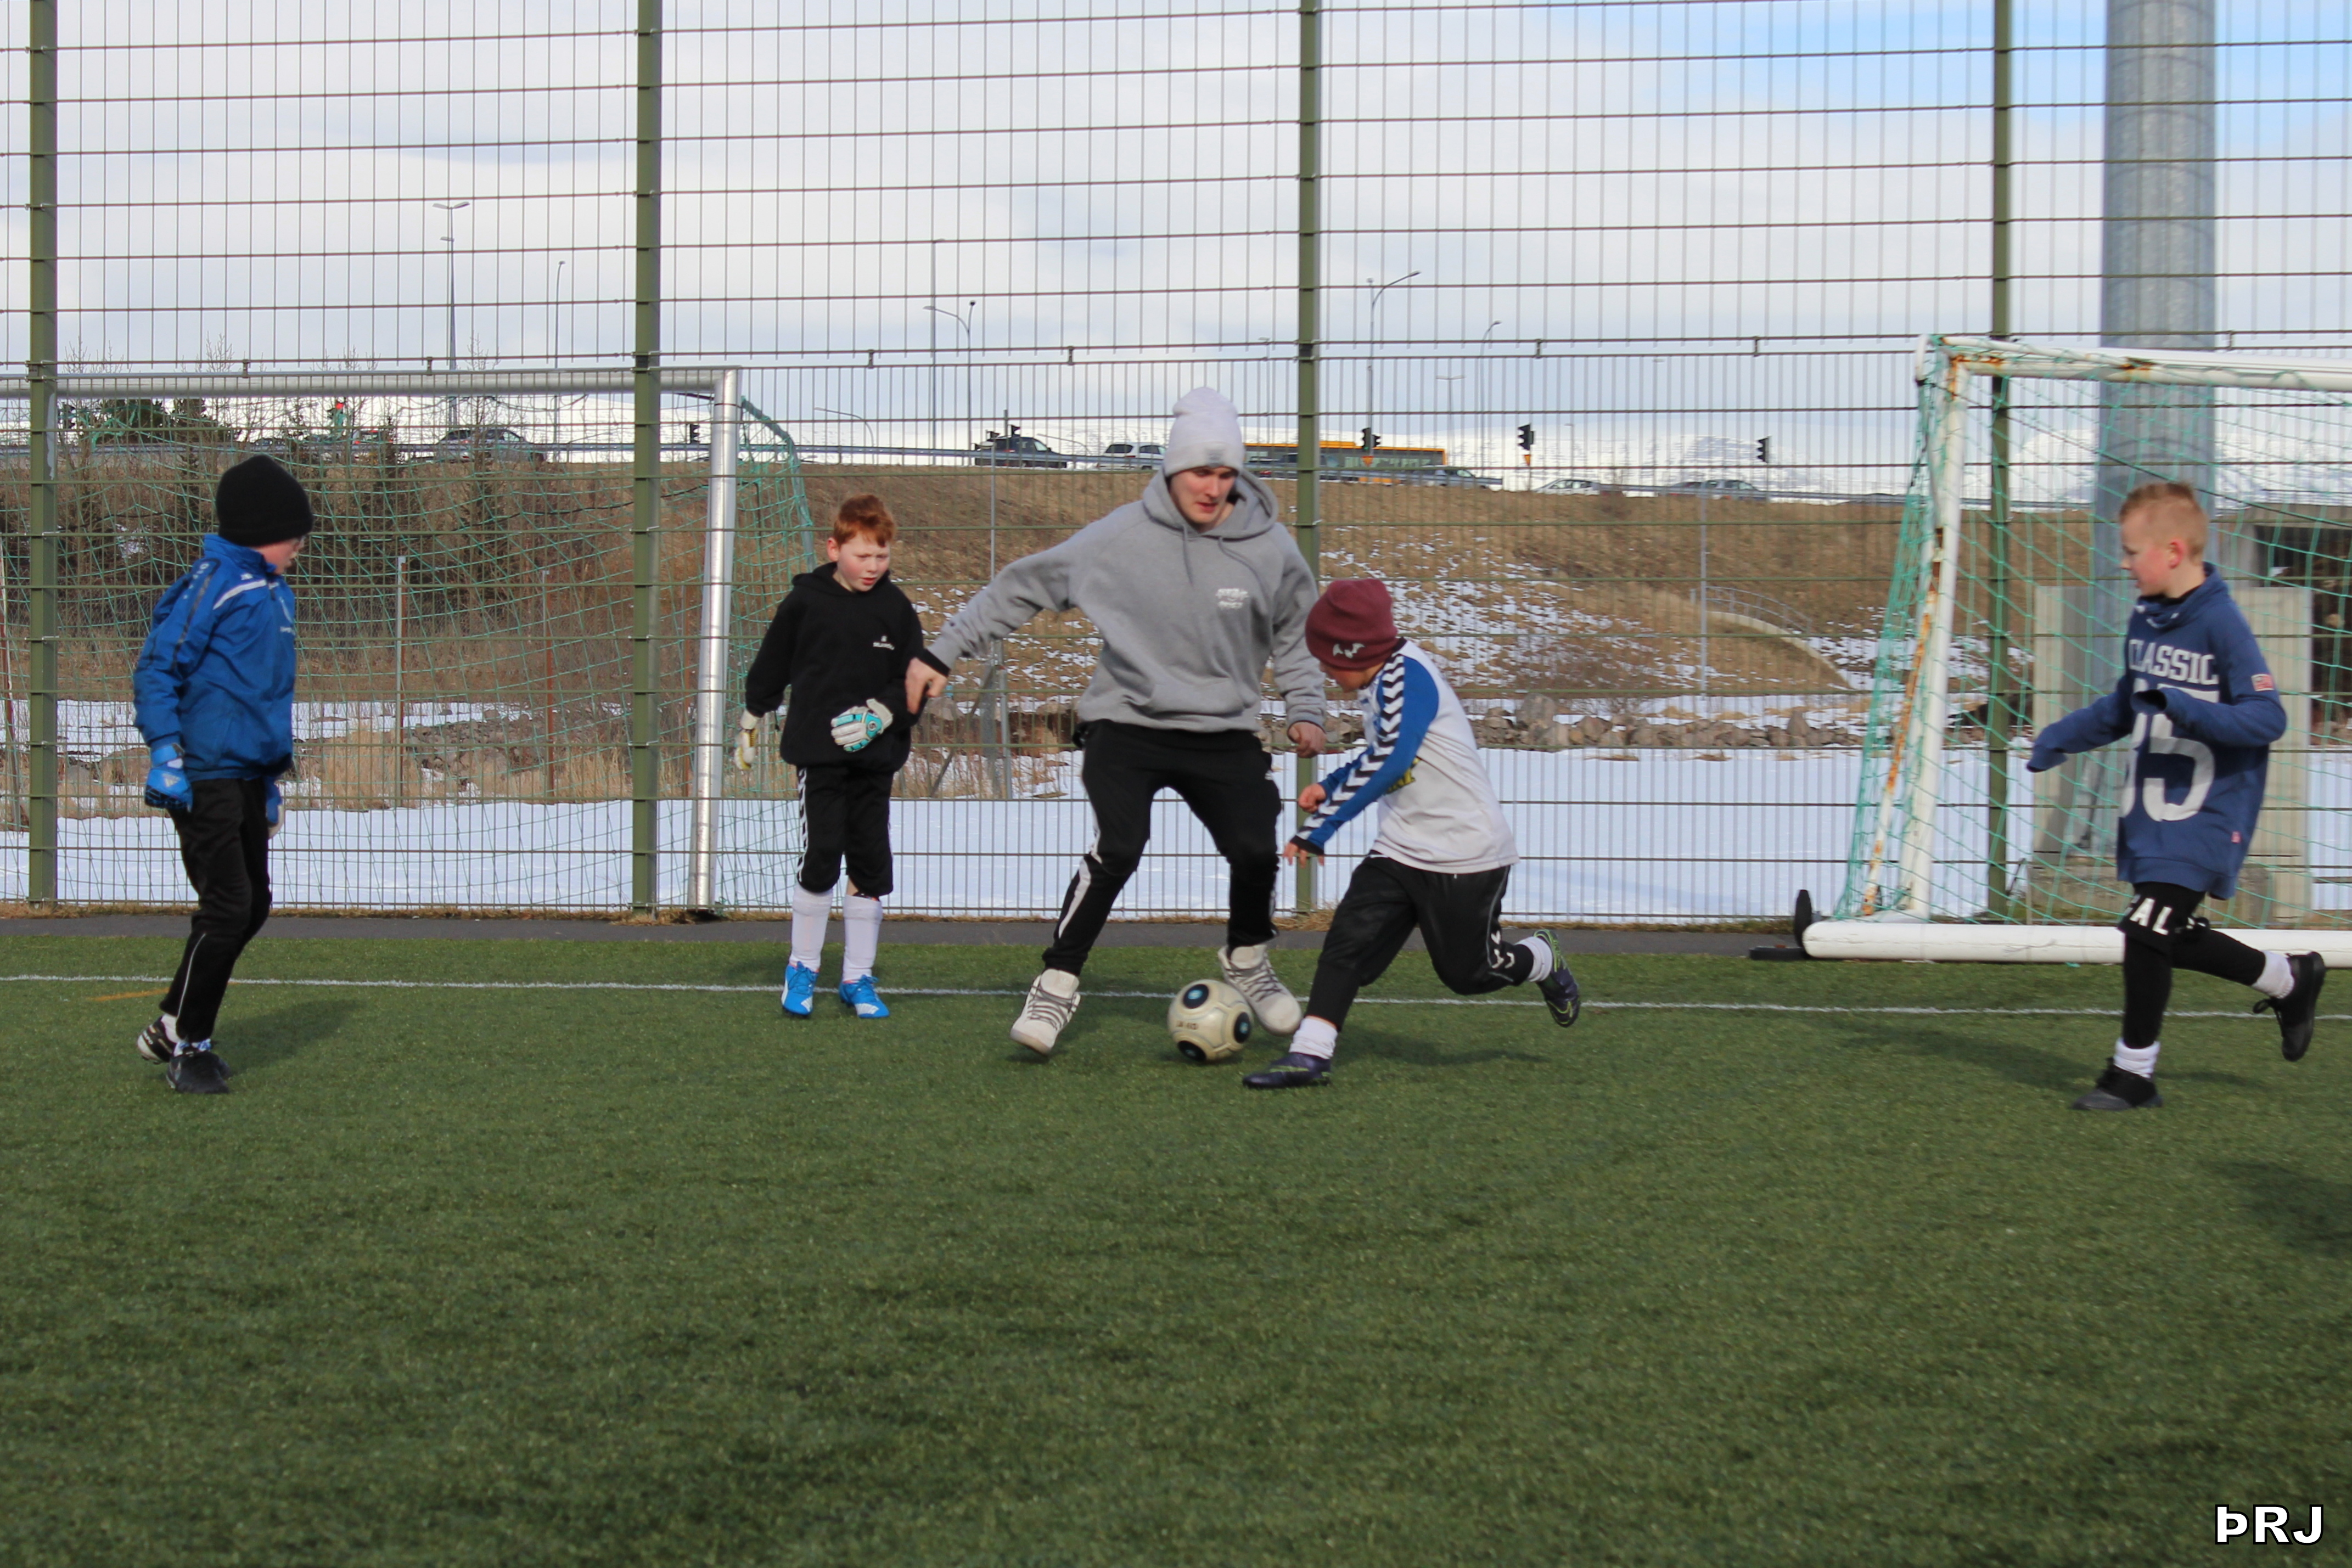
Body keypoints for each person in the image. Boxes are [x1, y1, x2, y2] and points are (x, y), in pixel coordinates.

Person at [905, 387, 1327, 1055]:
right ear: (1172, 468)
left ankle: (1247, 955)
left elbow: (1296, 635)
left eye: (1225, 473)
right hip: (1127, 724)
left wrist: (1306, 709)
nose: (1213, 488)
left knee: (1253, 846)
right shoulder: (1119, 537)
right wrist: (943, 650)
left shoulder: (1269, 548)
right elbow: (1022, 585)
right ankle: (1056, 983)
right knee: (1120, 847)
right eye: (1200, 471)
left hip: (1222, 732)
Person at [2028, 480, 2325, 1110]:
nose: (2123, 563)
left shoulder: (2221, 622)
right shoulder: (2145, 618)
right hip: (2150, 816)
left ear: (2171, 551)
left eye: (2131, 551)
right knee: (2165, 931)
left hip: (2208, 814)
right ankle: (2287, 978)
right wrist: (2061, 736)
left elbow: (2267, 719)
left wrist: (2184, 705)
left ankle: (2132, 1074)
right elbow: (2125, 704)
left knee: (2144, 929)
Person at [1246, 578, 1580, 1088]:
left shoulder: (1408, 676)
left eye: (1328, 660)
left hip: (1465, 850)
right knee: (1347, 943)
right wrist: (1330, 786)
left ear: (1354, 651)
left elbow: (1393, 758)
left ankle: (1540, 956)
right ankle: (1309, 1055)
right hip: (1400, 846)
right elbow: (1381, 753)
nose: (1324, 670)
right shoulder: (1379, 679)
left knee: (1468, 974)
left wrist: (1320, 828)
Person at [130, 454, 312, 1094]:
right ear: (261, 529)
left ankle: (171, 1024)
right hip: (202, 772)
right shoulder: (213, 583)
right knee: (228, 906)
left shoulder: (275, 592)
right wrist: (166, 754)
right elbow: (157, 669)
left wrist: (270, 778)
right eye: (291, 533)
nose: (299, 545)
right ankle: (191, 1047)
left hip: (247, 774)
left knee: (253, 904)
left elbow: (265, 695)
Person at [739, 493, 927, 1021]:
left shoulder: (896, 609)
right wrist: (752, 716)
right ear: (834, 548)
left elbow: (914, 680)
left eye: (882, 556)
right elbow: (772, 662)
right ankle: (802, 967)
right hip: (819, 756)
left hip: (876, 759)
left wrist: (881, 715)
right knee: (822, 853)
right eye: (862, 555)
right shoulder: (805, 602)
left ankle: (857, 978)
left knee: (870, 861)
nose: (873, 566)